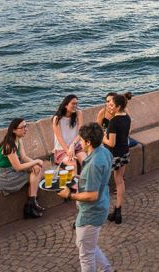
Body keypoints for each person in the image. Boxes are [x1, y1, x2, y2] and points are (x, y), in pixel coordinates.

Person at [57, 123, 112, 272]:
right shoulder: (104, 152)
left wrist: (69, 195)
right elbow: (98, 179)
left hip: (91, 213)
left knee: (86, 254)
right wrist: (79, 177)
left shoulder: (93, 164)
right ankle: (107, 270)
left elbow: (92, 195)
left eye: (81, 140)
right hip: (102, 205)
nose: (80, 143)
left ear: (88, 142)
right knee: (89, 246)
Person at [0, 118, 45, 219]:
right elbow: (18, 167)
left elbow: (24, 157)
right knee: (34, 173)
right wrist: (36, 161)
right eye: (22, 127)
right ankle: (31, 204)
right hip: (4, 176)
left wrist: (34, 164)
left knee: (36, 169)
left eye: (26, 126)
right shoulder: (8, 146)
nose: (26, 129)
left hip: (12, 170)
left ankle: (31, 203)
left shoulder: (18, 140)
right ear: (14, 130)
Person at [102, 92, 132, 224]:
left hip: (114, 155)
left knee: (104, 181)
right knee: (120, 182)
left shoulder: (113, 121)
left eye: (112, 104)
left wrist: (103, 137)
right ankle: (118, 211)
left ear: (118, 107)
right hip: (125, 152)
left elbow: (111, 143)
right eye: (108, 103)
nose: (109, 106)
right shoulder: (127, 117)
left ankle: (99, 210)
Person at [52, 94, 87, 169]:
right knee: (73, 165)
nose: (75, 106)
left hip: (76, 146)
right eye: (73, 103)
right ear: (66, 105)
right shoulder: (57, 118)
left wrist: (72, 145)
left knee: (86, 162)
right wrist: (68, 151)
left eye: (76, 104)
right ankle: (76, 180)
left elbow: (81, 132)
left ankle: (85, 180)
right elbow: (59, 138)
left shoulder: (78, 113)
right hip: (62, 149)